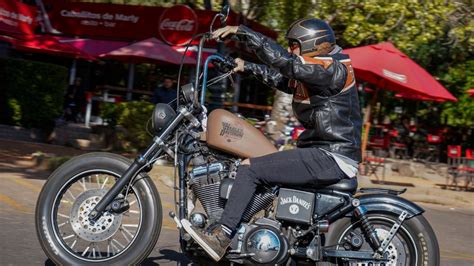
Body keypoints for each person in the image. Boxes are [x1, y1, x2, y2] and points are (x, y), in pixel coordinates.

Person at [181, 18, 362, 261]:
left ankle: (222, 236)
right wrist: (246, 67)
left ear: (312, 44)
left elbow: (288, 65)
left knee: (249, 169)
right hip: (321, 152)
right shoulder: (320, 70)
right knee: (253, 165)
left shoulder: (332, 68)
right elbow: (283, 79)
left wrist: (243, 33)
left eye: (294, 45)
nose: (289, 50)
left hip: (331, 155)